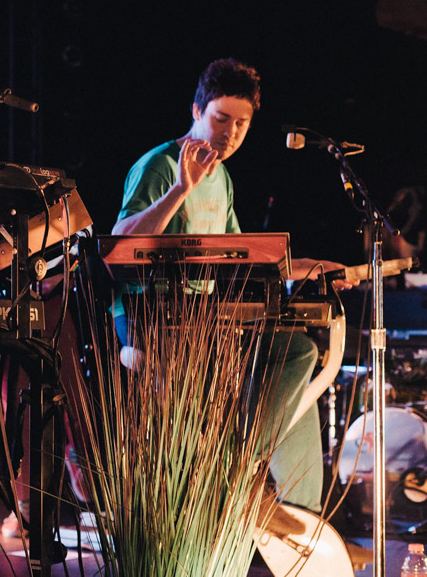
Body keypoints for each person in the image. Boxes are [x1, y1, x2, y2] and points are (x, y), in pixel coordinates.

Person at [111, 58, 371, 567]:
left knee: (299, 363)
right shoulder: (162, 165)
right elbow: (121, 244)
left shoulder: (223, 177)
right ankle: (241, 477)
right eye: (221, 119)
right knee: (293, 352)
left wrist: (313, 267)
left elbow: (240, 252)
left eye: (241, 123)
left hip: (207, 315)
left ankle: (298, 528)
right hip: (152, 317)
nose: (230, 133)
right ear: (195, 111)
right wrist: (180, 189)